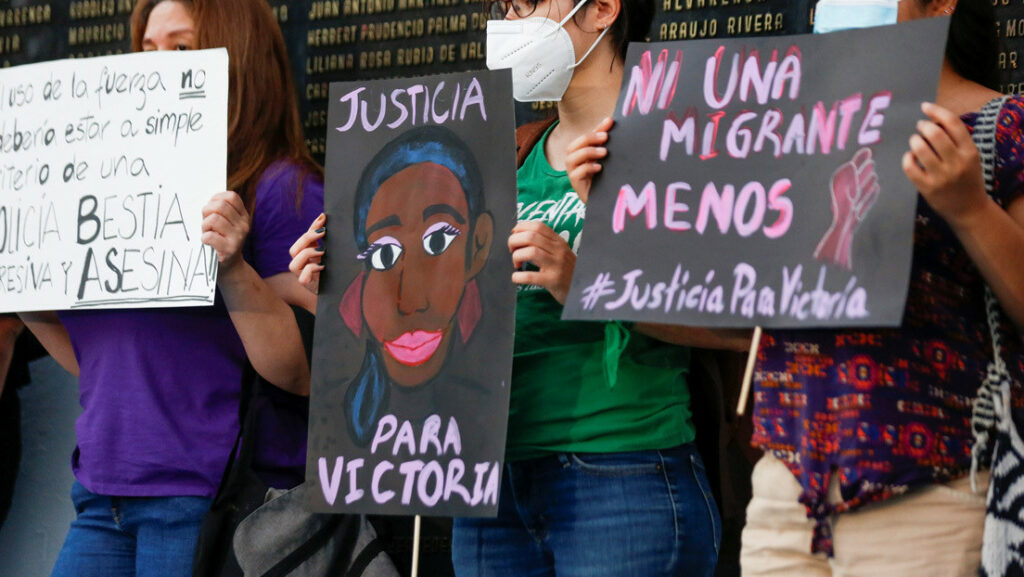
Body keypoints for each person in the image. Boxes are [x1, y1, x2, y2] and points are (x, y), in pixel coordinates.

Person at [568, 1, 1024, 575]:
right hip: (787, 484)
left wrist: (969, 208)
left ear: (942, 2)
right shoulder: (792, 130)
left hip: (933, 480)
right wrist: (623, 215)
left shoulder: (1001, 124)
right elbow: (732, 313)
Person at [292, 0, 746, 575]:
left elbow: (739, 324)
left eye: (529, 2)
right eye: (506, 5)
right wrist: (340, 287)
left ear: (603, 9)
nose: (511, 18)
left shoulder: (681, 139)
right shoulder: (508, 155)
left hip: (623, 473)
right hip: (489, 483)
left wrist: (583, 280)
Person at [18, 0, 323, 575]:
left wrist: (232, 268)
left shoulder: (281, 189)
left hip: (207, 499)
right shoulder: (112, 195)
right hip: (100, 495)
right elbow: (102, 366)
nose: (155, 65)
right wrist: (25, 293)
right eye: (146, 48)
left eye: (180, 48)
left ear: (239, 58)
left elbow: (304, 371)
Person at [334, 125, 495, 447]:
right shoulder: (343, 396)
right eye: (383, 254)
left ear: (478, 245)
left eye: (437, 241)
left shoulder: (490, 390)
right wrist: (320, 289)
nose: (410, 300)